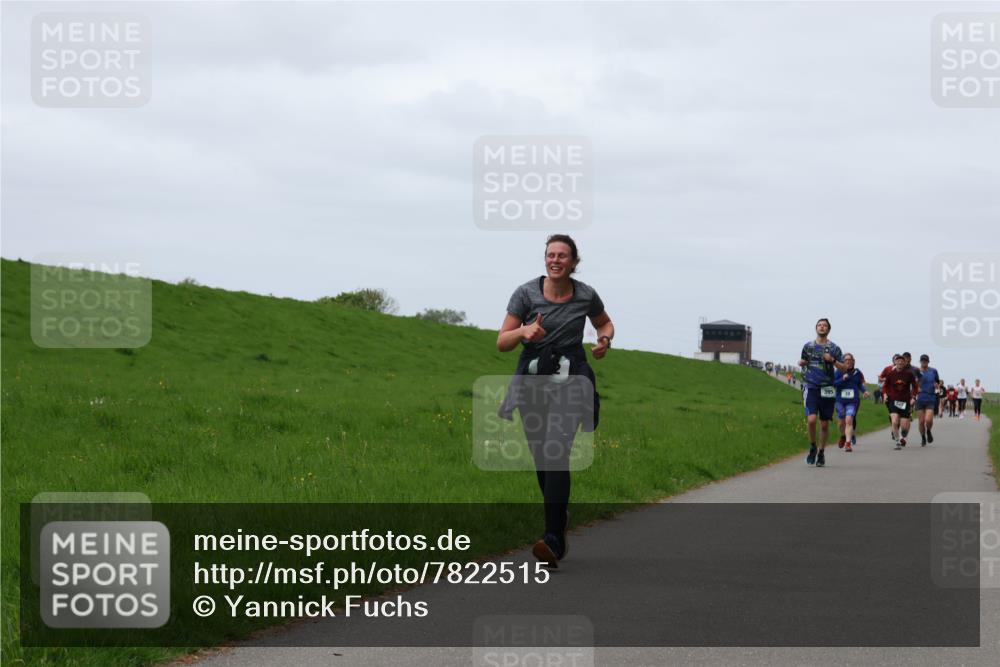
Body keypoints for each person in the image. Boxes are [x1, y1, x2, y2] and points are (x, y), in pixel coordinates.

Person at [496, 234, 613, 568]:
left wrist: (604, 340)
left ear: (574, 262)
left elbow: (604, 322)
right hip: (534, 378)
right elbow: (502, 341)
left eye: (562, 255)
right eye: (551, 255)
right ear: (545, 259)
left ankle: (552, 539)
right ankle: (559, 518)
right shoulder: (525, 294)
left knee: (555, 451)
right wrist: (523, 332)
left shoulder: (586, 294)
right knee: (541, 457)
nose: (556, 260)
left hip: (571, 378)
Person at [798, 318, 848, 467]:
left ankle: (821, 452)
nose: (822, 327)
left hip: (827, 389)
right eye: (819, 325)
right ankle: (813, 446)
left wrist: (832, 360)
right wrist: (802, 363)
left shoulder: (834, 348)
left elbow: (844, 368)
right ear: (816, 328)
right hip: (811, 386)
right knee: (811, 420)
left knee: (824, 425)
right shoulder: (808, 346)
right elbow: (803, 362)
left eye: (824, 325)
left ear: (828, 329)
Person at [882, 355, 920, 449]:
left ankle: (904, 434)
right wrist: (885, 395)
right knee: (894, 421)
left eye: (902, 361)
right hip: (893, 400)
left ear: (904, 363)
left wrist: (913, 397)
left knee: (904, 427)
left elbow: (915, 387)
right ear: (895, 362)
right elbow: (885, 386)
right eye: (898, 361)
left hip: (905, 401)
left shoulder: (909, 374)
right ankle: (897, 441)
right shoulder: (891, 374)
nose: (900, 363)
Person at [834, 354, 870, 452]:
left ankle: (848, 443)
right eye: (846, 360)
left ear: (853, 361)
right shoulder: (838, 371)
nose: (848, 361)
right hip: (840, 401)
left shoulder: (857, 372)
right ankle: (843, 436)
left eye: (850, 360)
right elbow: (834, 384)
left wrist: (864, 391)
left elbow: (860, 384)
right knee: (841, 423)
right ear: (843, 362)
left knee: (849, 419)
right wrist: (842, 379)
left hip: (852, 401)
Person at [915, 354, 940, 446]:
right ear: (920, 361)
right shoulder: (916, 371)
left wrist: (937, 386)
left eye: (925, 360)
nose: (924, 362)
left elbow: (937, 382)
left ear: (928, 362)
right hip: (920, 398)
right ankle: (923, 438)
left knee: (928, 420)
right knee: (921, 422)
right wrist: (916, 388)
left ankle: (928, 431)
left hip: (930, 398)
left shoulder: (933, 371)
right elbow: (912, 383)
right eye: (922, 360)